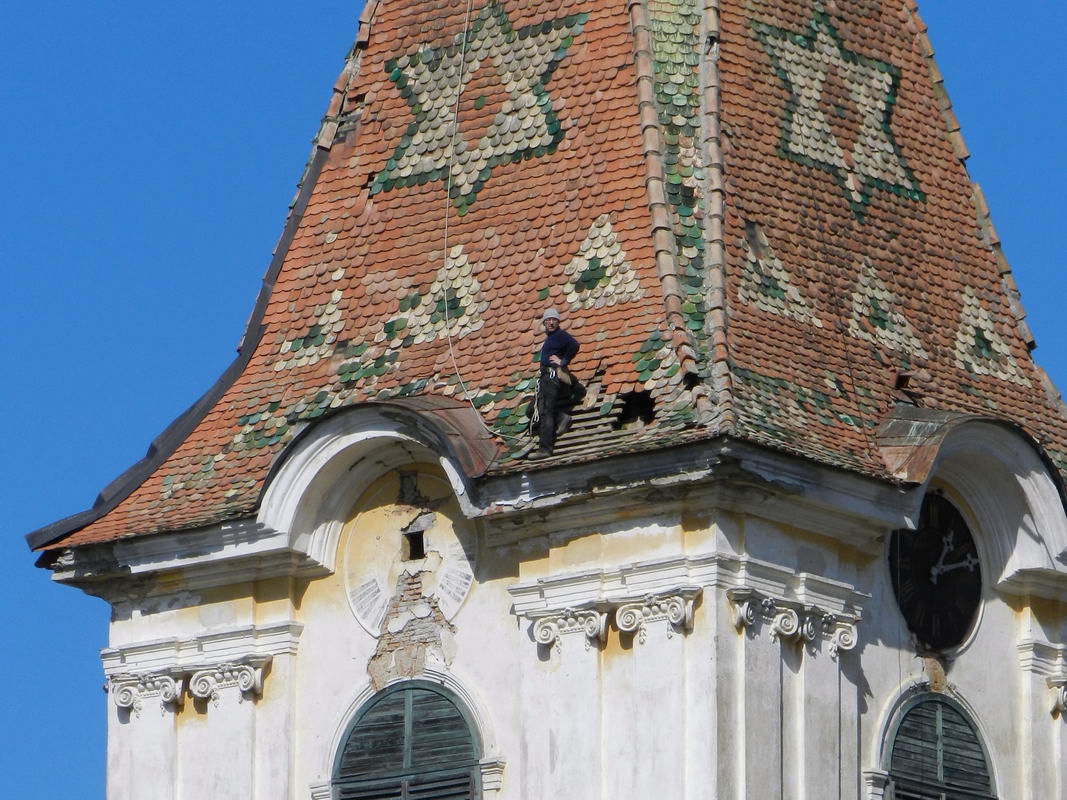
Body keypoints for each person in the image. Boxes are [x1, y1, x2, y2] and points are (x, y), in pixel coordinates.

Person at [528, 308, 580, 460]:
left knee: (546, 412)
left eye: (554, 320)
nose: (551, 322)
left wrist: (563, 361)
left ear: (558, 322)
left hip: (551, 377)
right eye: (548, 320)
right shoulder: (551, 337)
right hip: (545, 378)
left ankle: (545, 449)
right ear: (544, 322)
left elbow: (574, 345)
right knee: (532, 410)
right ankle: (561, 418)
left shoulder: (560, 335)